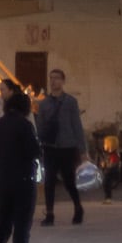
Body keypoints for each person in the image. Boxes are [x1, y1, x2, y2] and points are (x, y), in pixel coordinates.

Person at [0, 89, 42, 243]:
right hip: (24, 179)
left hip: (4, 180)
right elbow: (34, 150)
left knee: (2, 221)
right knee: (22, 223)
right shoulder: (25, 126)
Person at [34, 69, 87, 227]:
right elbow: (40, 126)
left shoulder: (71, 102)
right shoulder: (44, 104)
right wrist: (39, 145)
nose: (53, 81)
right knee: (49, 181)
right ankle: (49, 214)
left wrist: (82, 150)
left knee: (69, 180)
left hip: (67, 146)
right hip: (50, 146)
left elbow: (77, 125)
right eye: (51, 79)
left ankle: (78, 207)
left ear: (63, 81)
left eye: (57, 78)